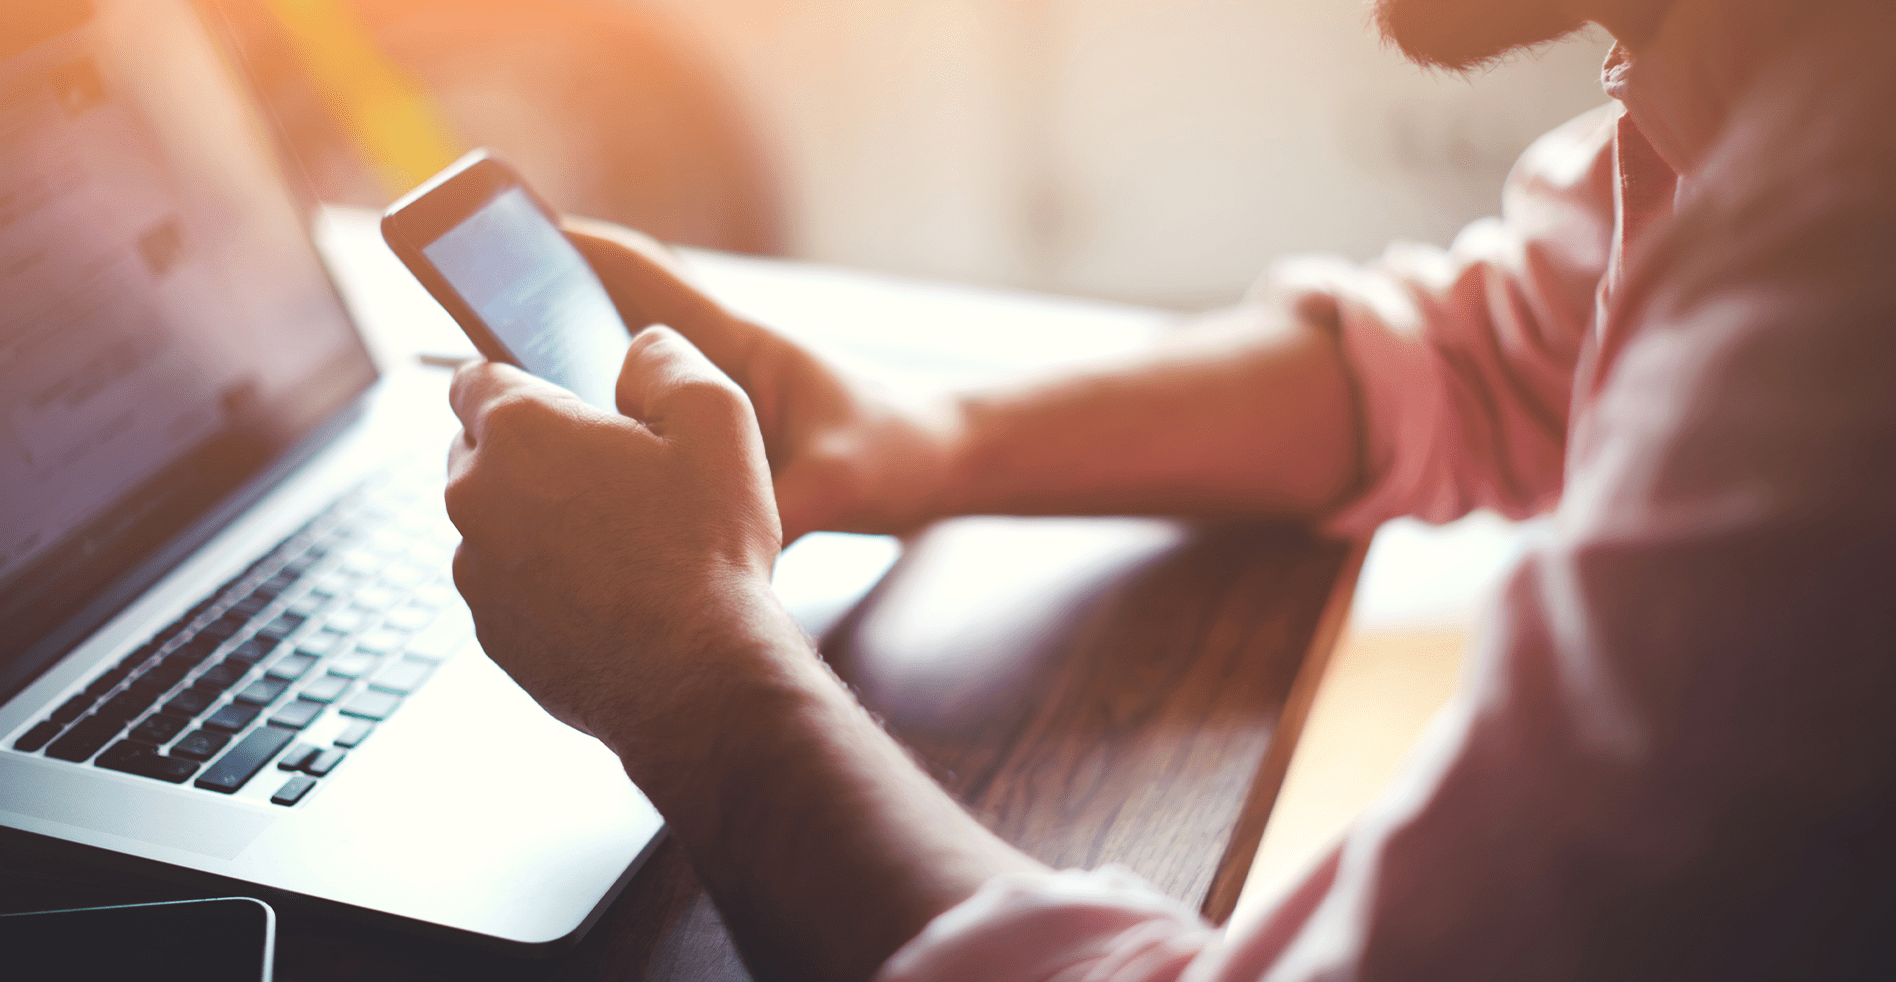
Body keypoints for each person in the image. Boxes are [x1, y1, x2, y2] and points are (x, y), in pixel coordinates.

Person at [441, 0, 1896, 978]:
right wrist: (913, 433)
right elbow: (1493, 348)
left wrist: (695, 677)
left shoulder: (1847, 258)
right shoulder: (1764, 83)